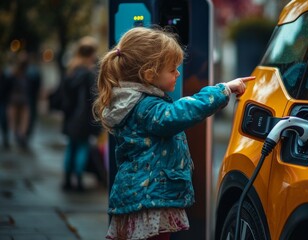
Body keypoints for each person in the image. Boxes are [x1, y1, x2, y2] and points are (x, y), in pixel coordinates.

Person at [92, 27, 254, 240]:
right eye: (172, 69)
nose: (178, 73)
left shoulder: (132, 103)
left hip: (141, 196)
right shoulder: (147, 108)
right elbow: (182, 111)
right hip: (150, 199)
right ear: (149, 73)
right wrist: (223, 89)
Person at [61, 36, 100, 192]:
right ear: (91, 53)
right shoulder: (90, 73)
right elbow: (94, 97)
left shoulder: (71, 70)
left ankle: (67, 180)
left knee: (71, 146)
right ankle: (78, 179)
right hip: (84, 117)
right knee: (82, 147)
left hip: (70, 116)